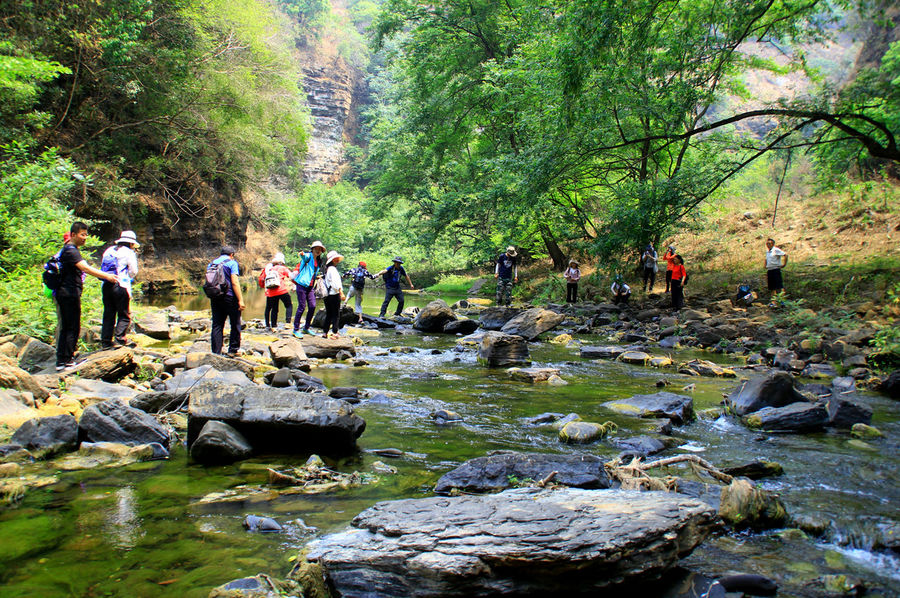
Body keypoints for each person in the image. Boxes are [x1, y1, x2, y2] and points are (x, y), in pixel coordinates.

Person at [54, 222, 119, 371]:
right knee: (72, 327)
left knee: (66, 327)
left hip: (65, 292)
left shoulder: (68, 249)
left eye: (86, 235)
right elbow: (85, 268)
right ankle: (68, 361)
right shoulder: (71, 250)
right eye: (82, 235)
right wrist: (107, 276)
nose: (85, 238)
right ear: (73, 235)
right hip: (69, 293)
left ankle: (61, 361)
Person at [99, 230, 140, 349]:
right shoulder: (129, 252)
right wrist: (128, 278)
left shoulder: (109, 250)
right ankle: (120, 339)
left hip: (106, 284)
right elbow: (133, 271)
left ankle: (106, 341)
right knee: (123, 314)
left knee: (108, 313)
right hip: (120, 285)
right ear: (131, 243)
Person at [208, 245, 244, 355]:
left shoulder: (212, 264)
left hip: (215, 296)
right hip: (229, 297)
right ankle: (233, 350)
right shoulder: (232, 263)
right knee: (235, 323)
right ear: (232, 255)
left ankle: (216, 352)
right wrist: (240, 300)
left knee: (217, 324)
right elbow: (234, 282)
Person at [292, 241, 326, 337]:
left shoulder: (319, 261)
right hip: (302, 284)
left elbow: (312, 272)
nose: (318, 250)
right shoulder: (308, 256)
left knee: (312, 306)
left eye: (320, 249)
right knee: (302, 306)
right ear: (313, 249)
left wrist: (316, 277)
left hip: (310, 286)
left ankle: (306, 328)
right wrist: (302, 254)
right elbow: (304, 256)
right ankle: (295, 329)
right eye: (316, 248)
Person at [260, 252, 293, 331]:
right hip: (281, 290)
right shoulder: (283, 268)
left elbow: (263, 279)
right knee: (289, 305)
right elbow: (291, 276)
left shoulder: (270, 269)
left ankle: (273, 326)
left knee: (274, 309)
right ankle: (288, 323)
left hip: (271, 291)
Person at [321, 251, 346, 338]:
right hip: (334, 294)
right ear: (333, 260)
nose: (338, 260)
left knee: (329, 314)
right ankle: (335, 332)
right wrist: (341, 293)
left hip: (327, 295)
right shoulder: (333, 270)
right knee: (336, 314)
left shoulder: (327, 269)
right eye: (336, 258)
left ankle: (325, 332)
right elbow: (336, 283)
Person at [764, 238, 787, 306]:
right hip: (770, 270)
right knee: (772, 287)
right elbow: (766, 259)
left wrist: (784, 264)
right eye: (767, 243)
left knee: (779, 286)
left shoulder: (776, 250)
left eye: (770, 243)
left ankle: (782, 301)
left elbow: (785, 255)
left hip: (776, 269)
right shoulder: (768, 251)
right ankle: (773, 302)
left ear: (773, 244)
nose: (768, 245)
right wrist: (765, 265)